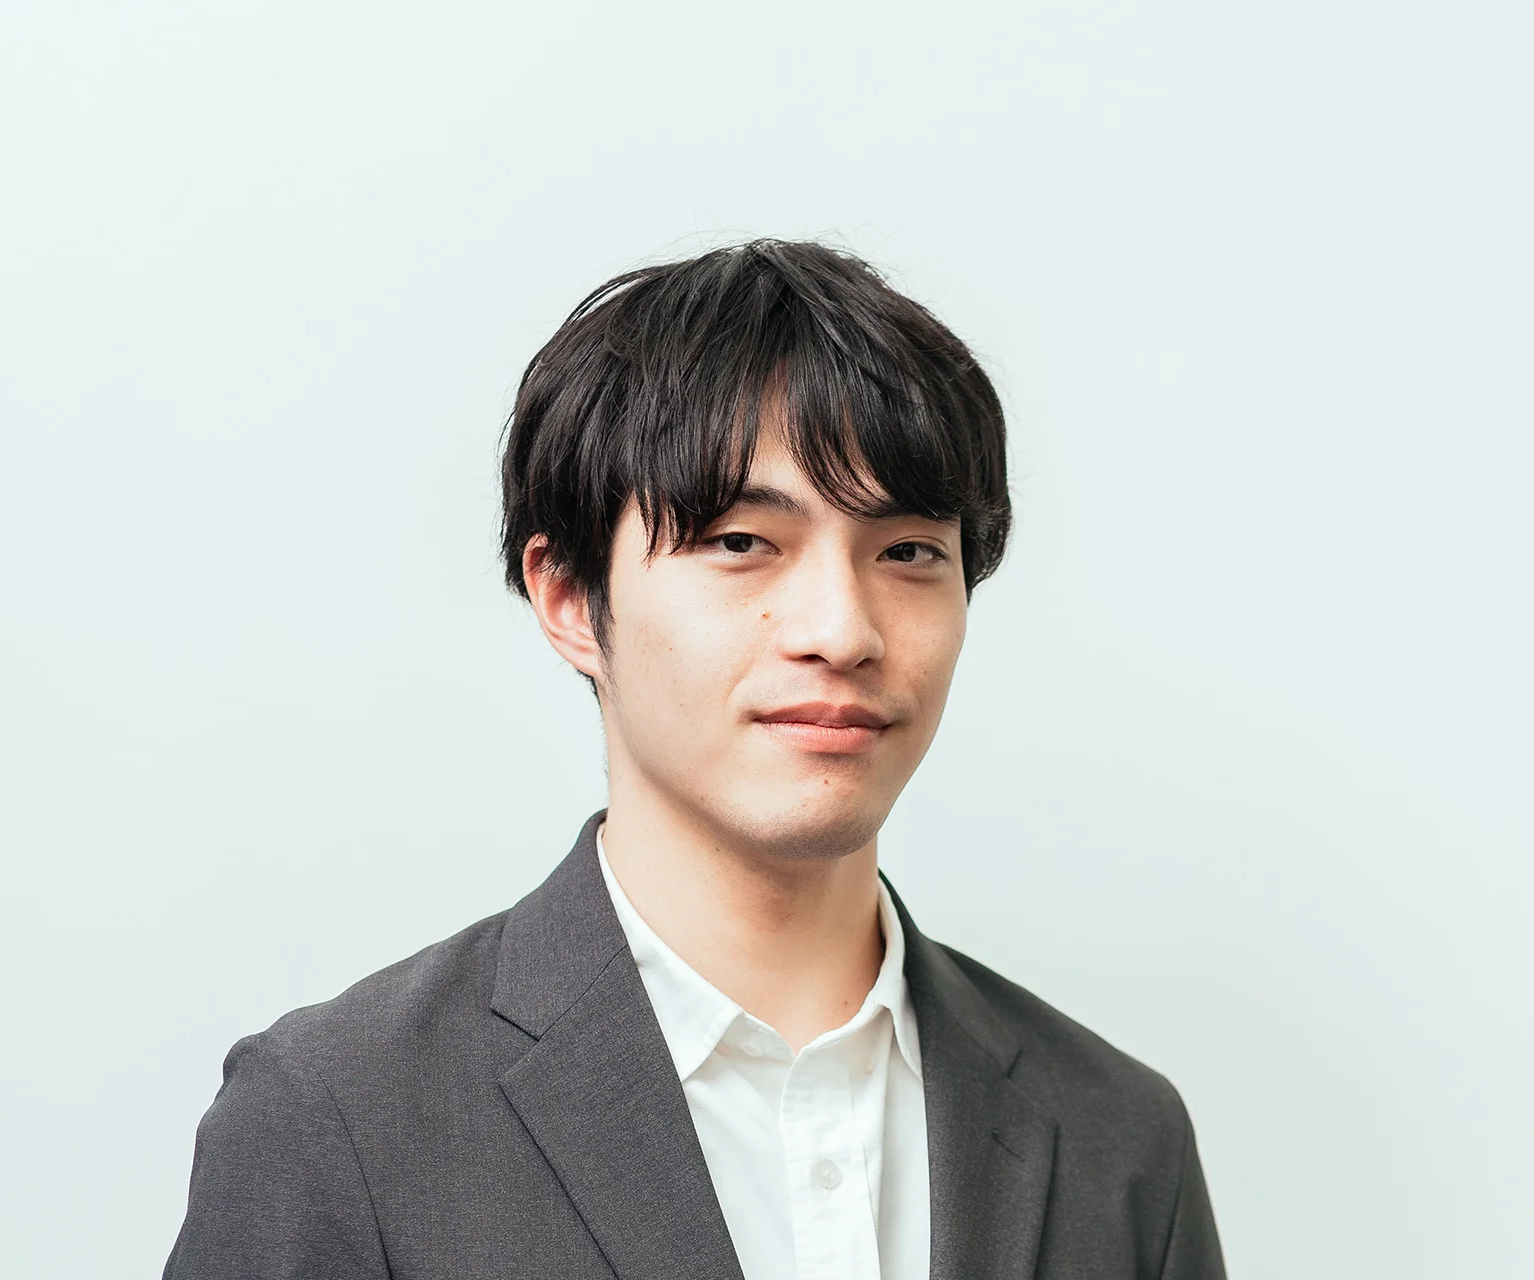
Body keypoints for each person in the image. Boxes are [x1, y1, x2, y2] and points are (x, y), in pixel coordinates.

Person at [163, 240, 1227, 1279]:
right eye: (740, 542)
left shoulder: (1118, 1138)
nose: (841, 630)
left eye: (908, 551)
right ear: (569, 596)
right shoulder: (341, 1117)